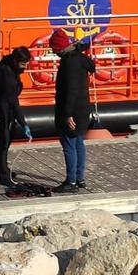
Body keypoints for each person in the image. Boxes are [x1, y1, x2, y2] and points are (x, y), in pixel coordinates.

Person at [51, 29, 94, 193]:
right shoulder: (81, 59)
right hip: (84, 108)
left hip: (72, 110)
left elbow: (71, 90)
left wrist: (67, 114)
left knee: (69, 144)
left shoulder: (69, 63)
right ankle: (80, 178)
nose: (54, 53)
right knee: (78, 143)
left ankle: (71, 181)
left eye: (55, 49)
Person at [0, 46, 33, 187]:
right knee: (2, 139)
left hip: (5, 106)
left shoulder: (11, 69)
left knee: (9, 136)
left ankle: (0, 166)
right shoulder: (6, 73)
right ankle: (3, 175)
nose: (24, 67)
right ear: (15, 61)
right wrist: (23, 122)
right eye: (22, 64)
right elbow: (11, 99)